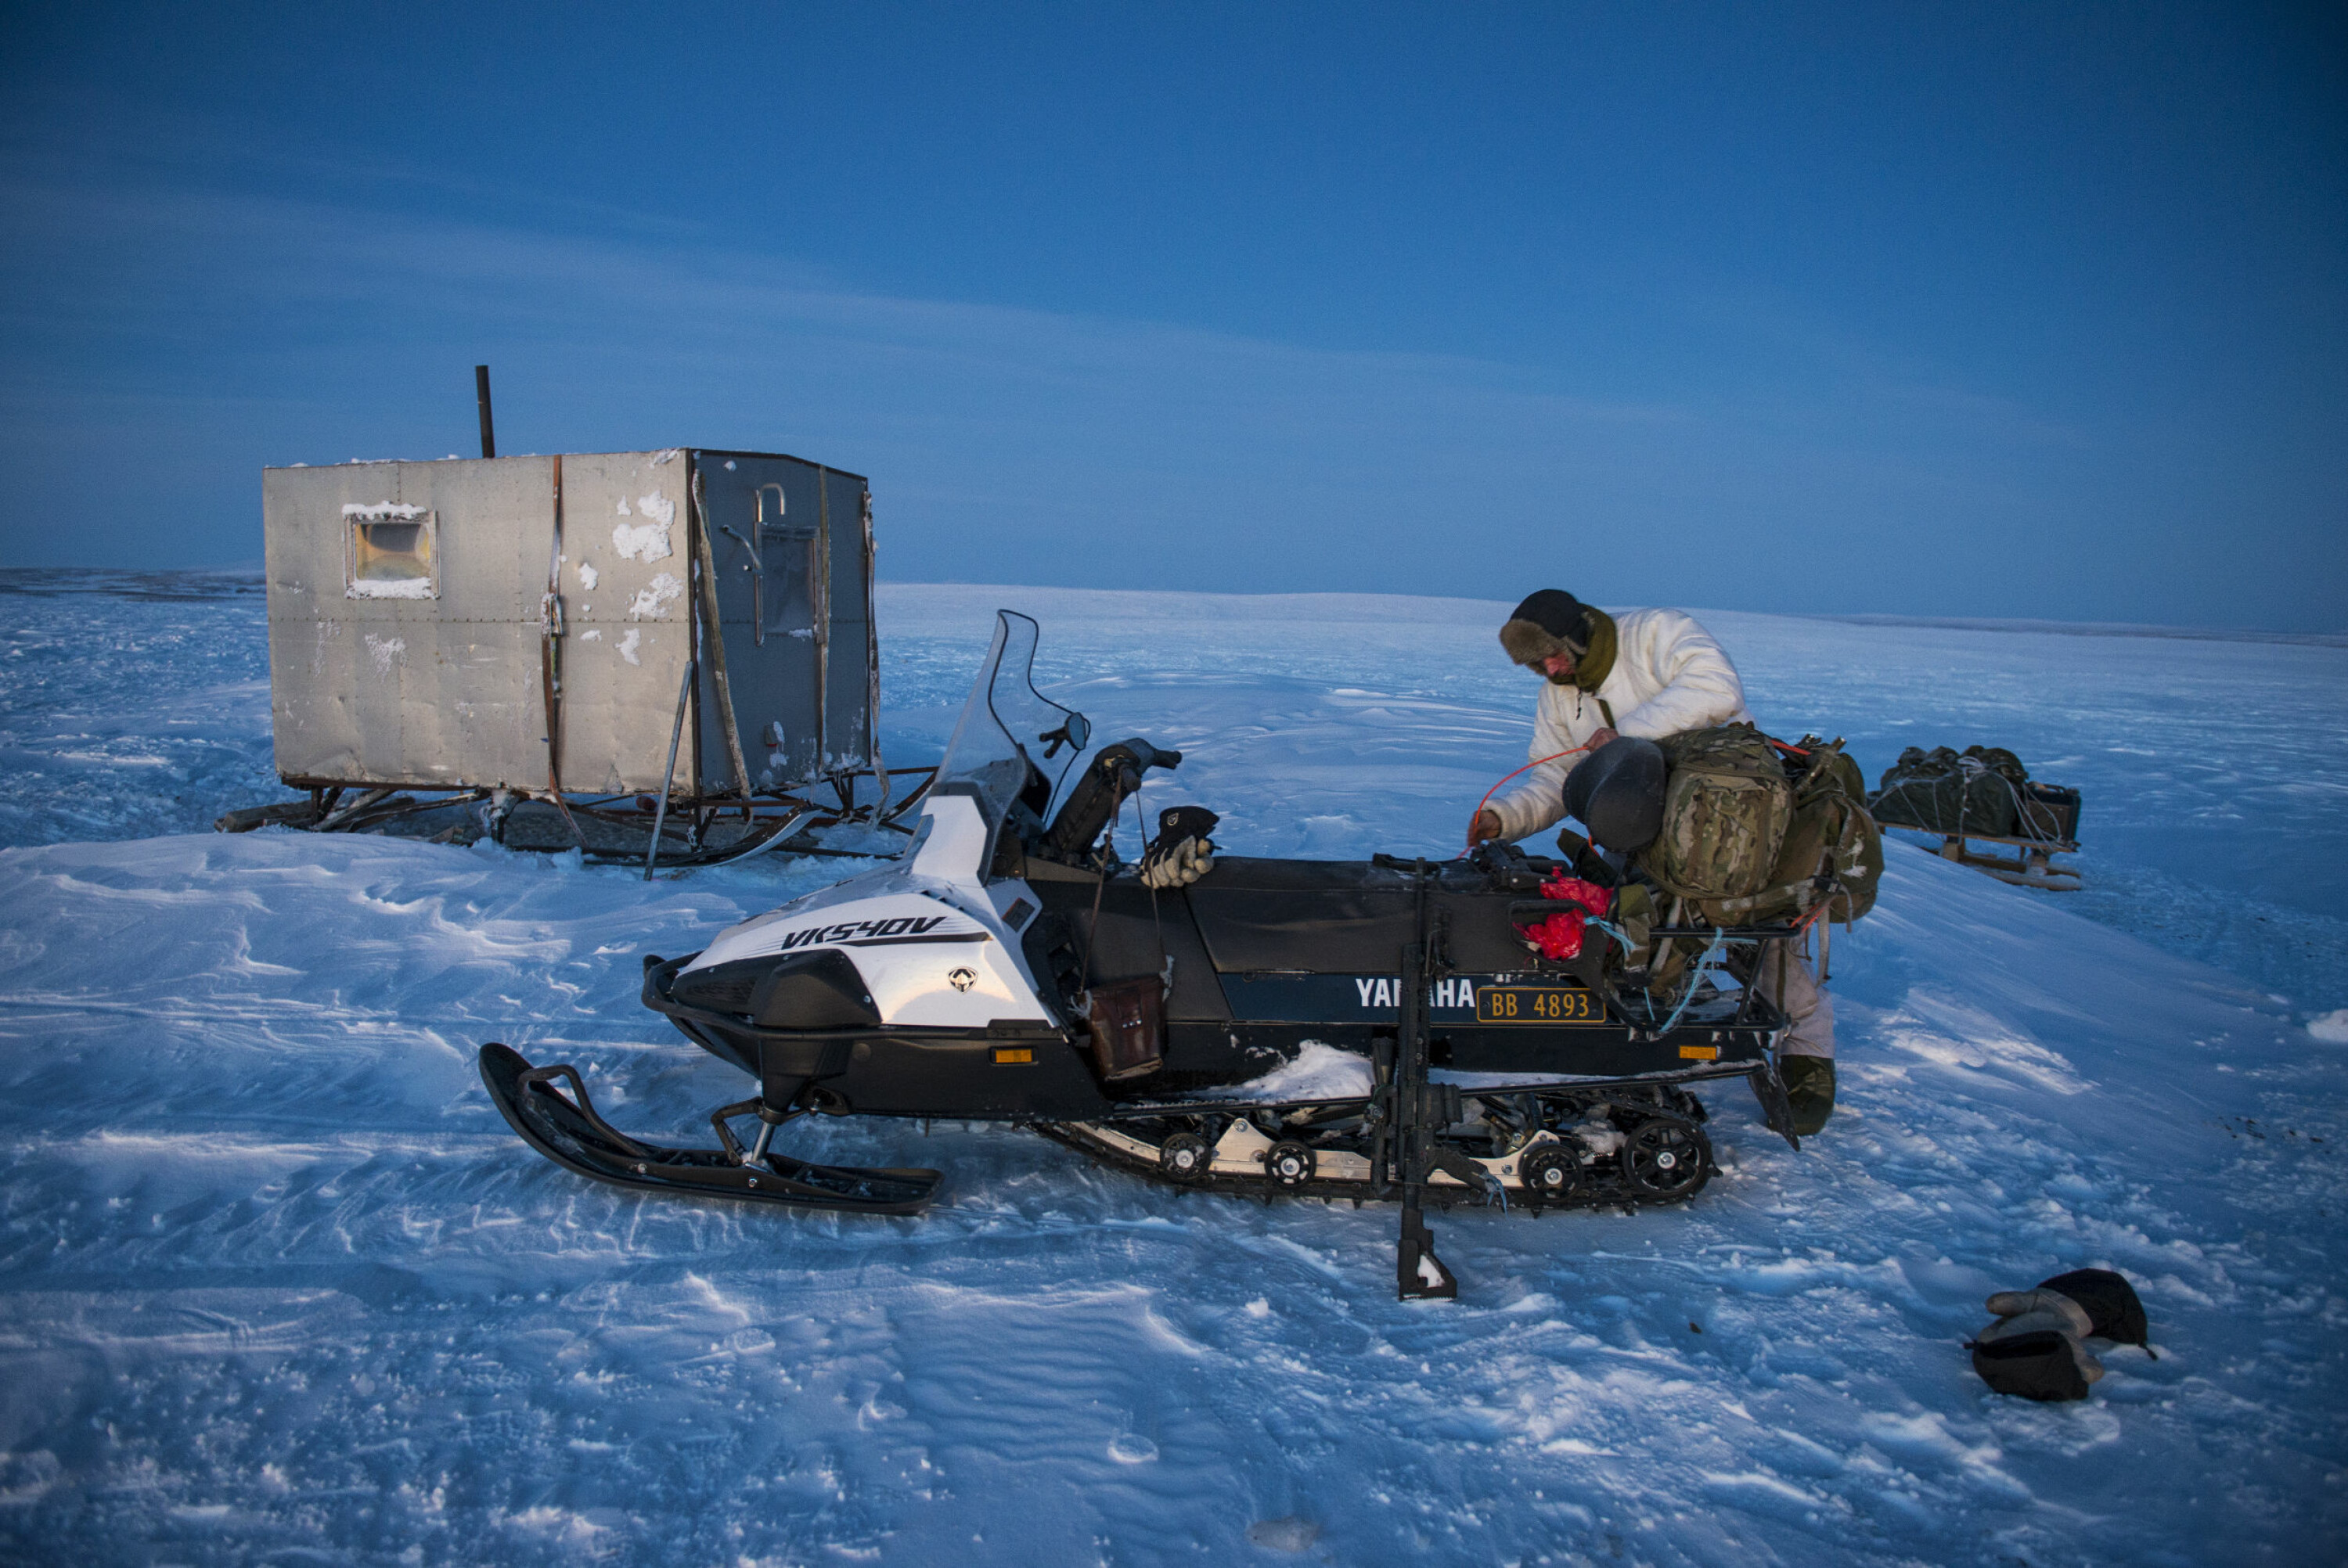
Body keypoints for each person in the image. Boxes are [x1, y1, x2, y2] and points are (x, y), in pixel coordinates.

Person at [1469, 588, 1838, 1134]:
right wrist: (1505, 817)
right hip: (1642, 837)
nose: (1547, 669)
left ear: (1578, 635)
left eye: (1551, 654)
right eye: (1535, 664)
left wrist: (1624, 736)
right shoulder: (1558, 695)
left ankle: (1809, 1053)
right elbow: (1558, 778)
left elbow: (1715, 689)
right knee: (1642, 943)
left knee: (1754, 935)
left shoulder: (1656, 632)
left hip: (1729, 826)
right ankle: (1647, 1050)